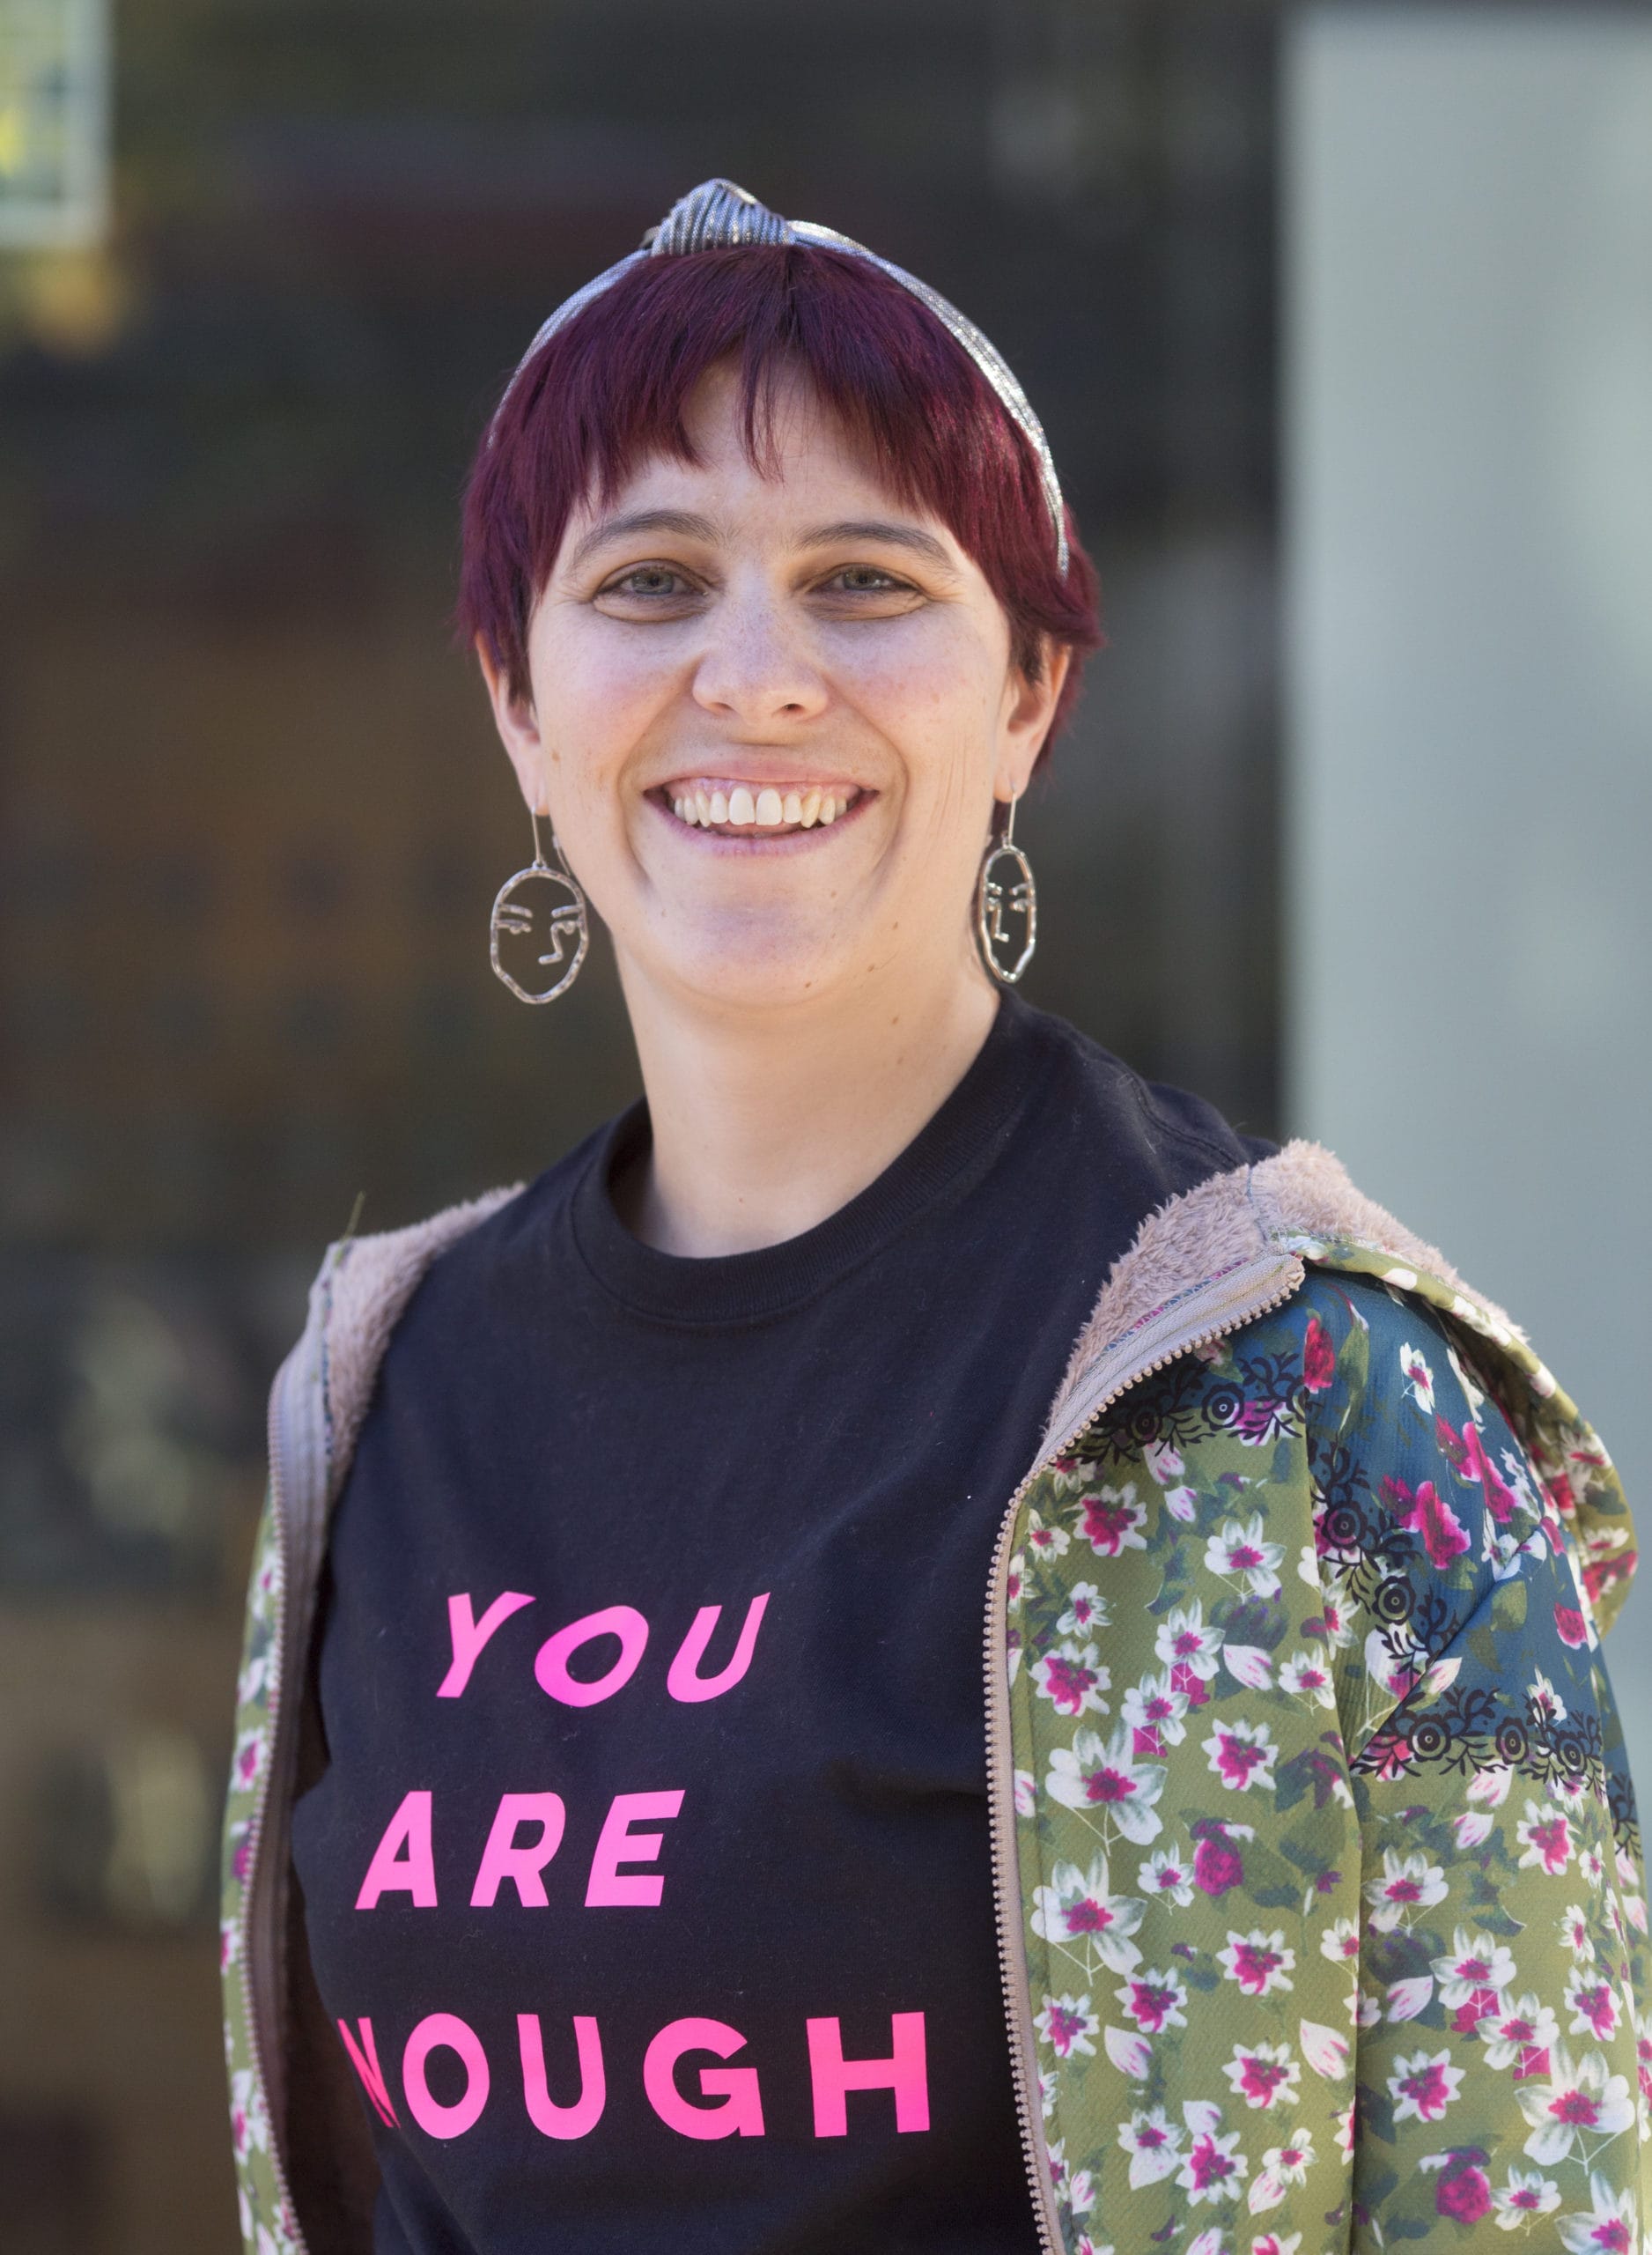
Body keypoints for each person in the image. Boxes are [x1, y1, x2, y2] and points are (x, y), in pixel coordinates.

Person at [220, 180, 1648, 2255]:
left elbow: (1535, 2195)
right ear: (520, 706)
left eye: (865, 579)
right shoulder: (383, 1389)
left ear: (1025, 702)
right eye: (647, 578)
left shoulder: (1300, 1382)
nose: (757, 673)